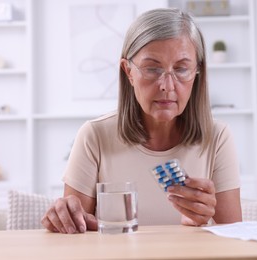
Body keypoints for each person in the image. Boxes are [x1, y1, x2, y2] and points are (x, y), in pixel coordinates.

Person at [41, 7, 242, 234]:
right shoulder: (94, 136)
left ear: (197, 72)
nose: (167, 85)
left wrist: (202, 225)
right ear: (128, 72)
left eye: (181, 69)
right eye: (152, 69)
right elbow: (74, 234)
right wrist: (63, 217)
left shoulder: (218, 138)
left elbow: (235, 238)